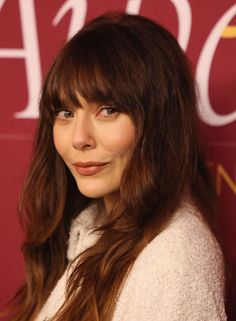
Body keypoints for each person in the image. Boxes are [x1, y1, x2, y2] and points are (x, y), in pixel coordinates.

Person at [9, 12, 226, 321]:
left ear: (160, 122)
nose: (79, 138)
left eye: (108, 110)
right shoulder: (91, 225)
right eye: (66, 112)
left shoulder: (174, 259)